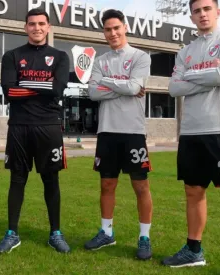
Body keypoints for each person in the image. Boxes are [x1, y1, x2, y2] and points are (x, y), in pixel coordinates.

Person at [161, 0, 220, 274]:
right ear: (191, 16)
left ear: (217, 12)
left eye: (206, 9)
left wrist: (191, 76)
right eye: (197, 11)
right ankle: (193, 250)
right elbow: (174, 88)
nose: (202, 14)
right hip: (191, 132)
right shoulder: (184, 51)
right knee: (193, 191)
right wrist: (204, 76)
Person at [0, 8, 71, 254]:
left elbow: (58, 89)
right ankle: (11, 233)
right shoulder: (12, 56)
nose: (36, 28)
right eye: (31, 24)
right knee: (17, 179)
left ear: (48, 27)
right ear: (25, 27)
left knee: (51, 180)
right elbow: (9, 91)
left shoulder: (59, 56)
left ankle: (55, 233)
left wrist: (25, 85)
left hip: (49, 126)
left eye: (41, 23)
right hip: (19, 126)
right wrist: (43, 87)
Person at [85, 9, 153, 260]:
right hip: (107, 132)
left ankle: (144, 237)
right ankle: (106, 233)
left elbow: (136, 86)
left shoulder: (141, 56)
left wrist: (109, 83)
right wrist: (124, 87)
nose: (112, 33)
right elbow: (92, 93)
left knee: (141, 185)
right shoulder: (101, 61)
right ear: (103, 32)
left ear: (124, 27)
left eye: (116, 28)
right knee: (106, 184)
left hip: (134, 131)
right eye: (107, 29)